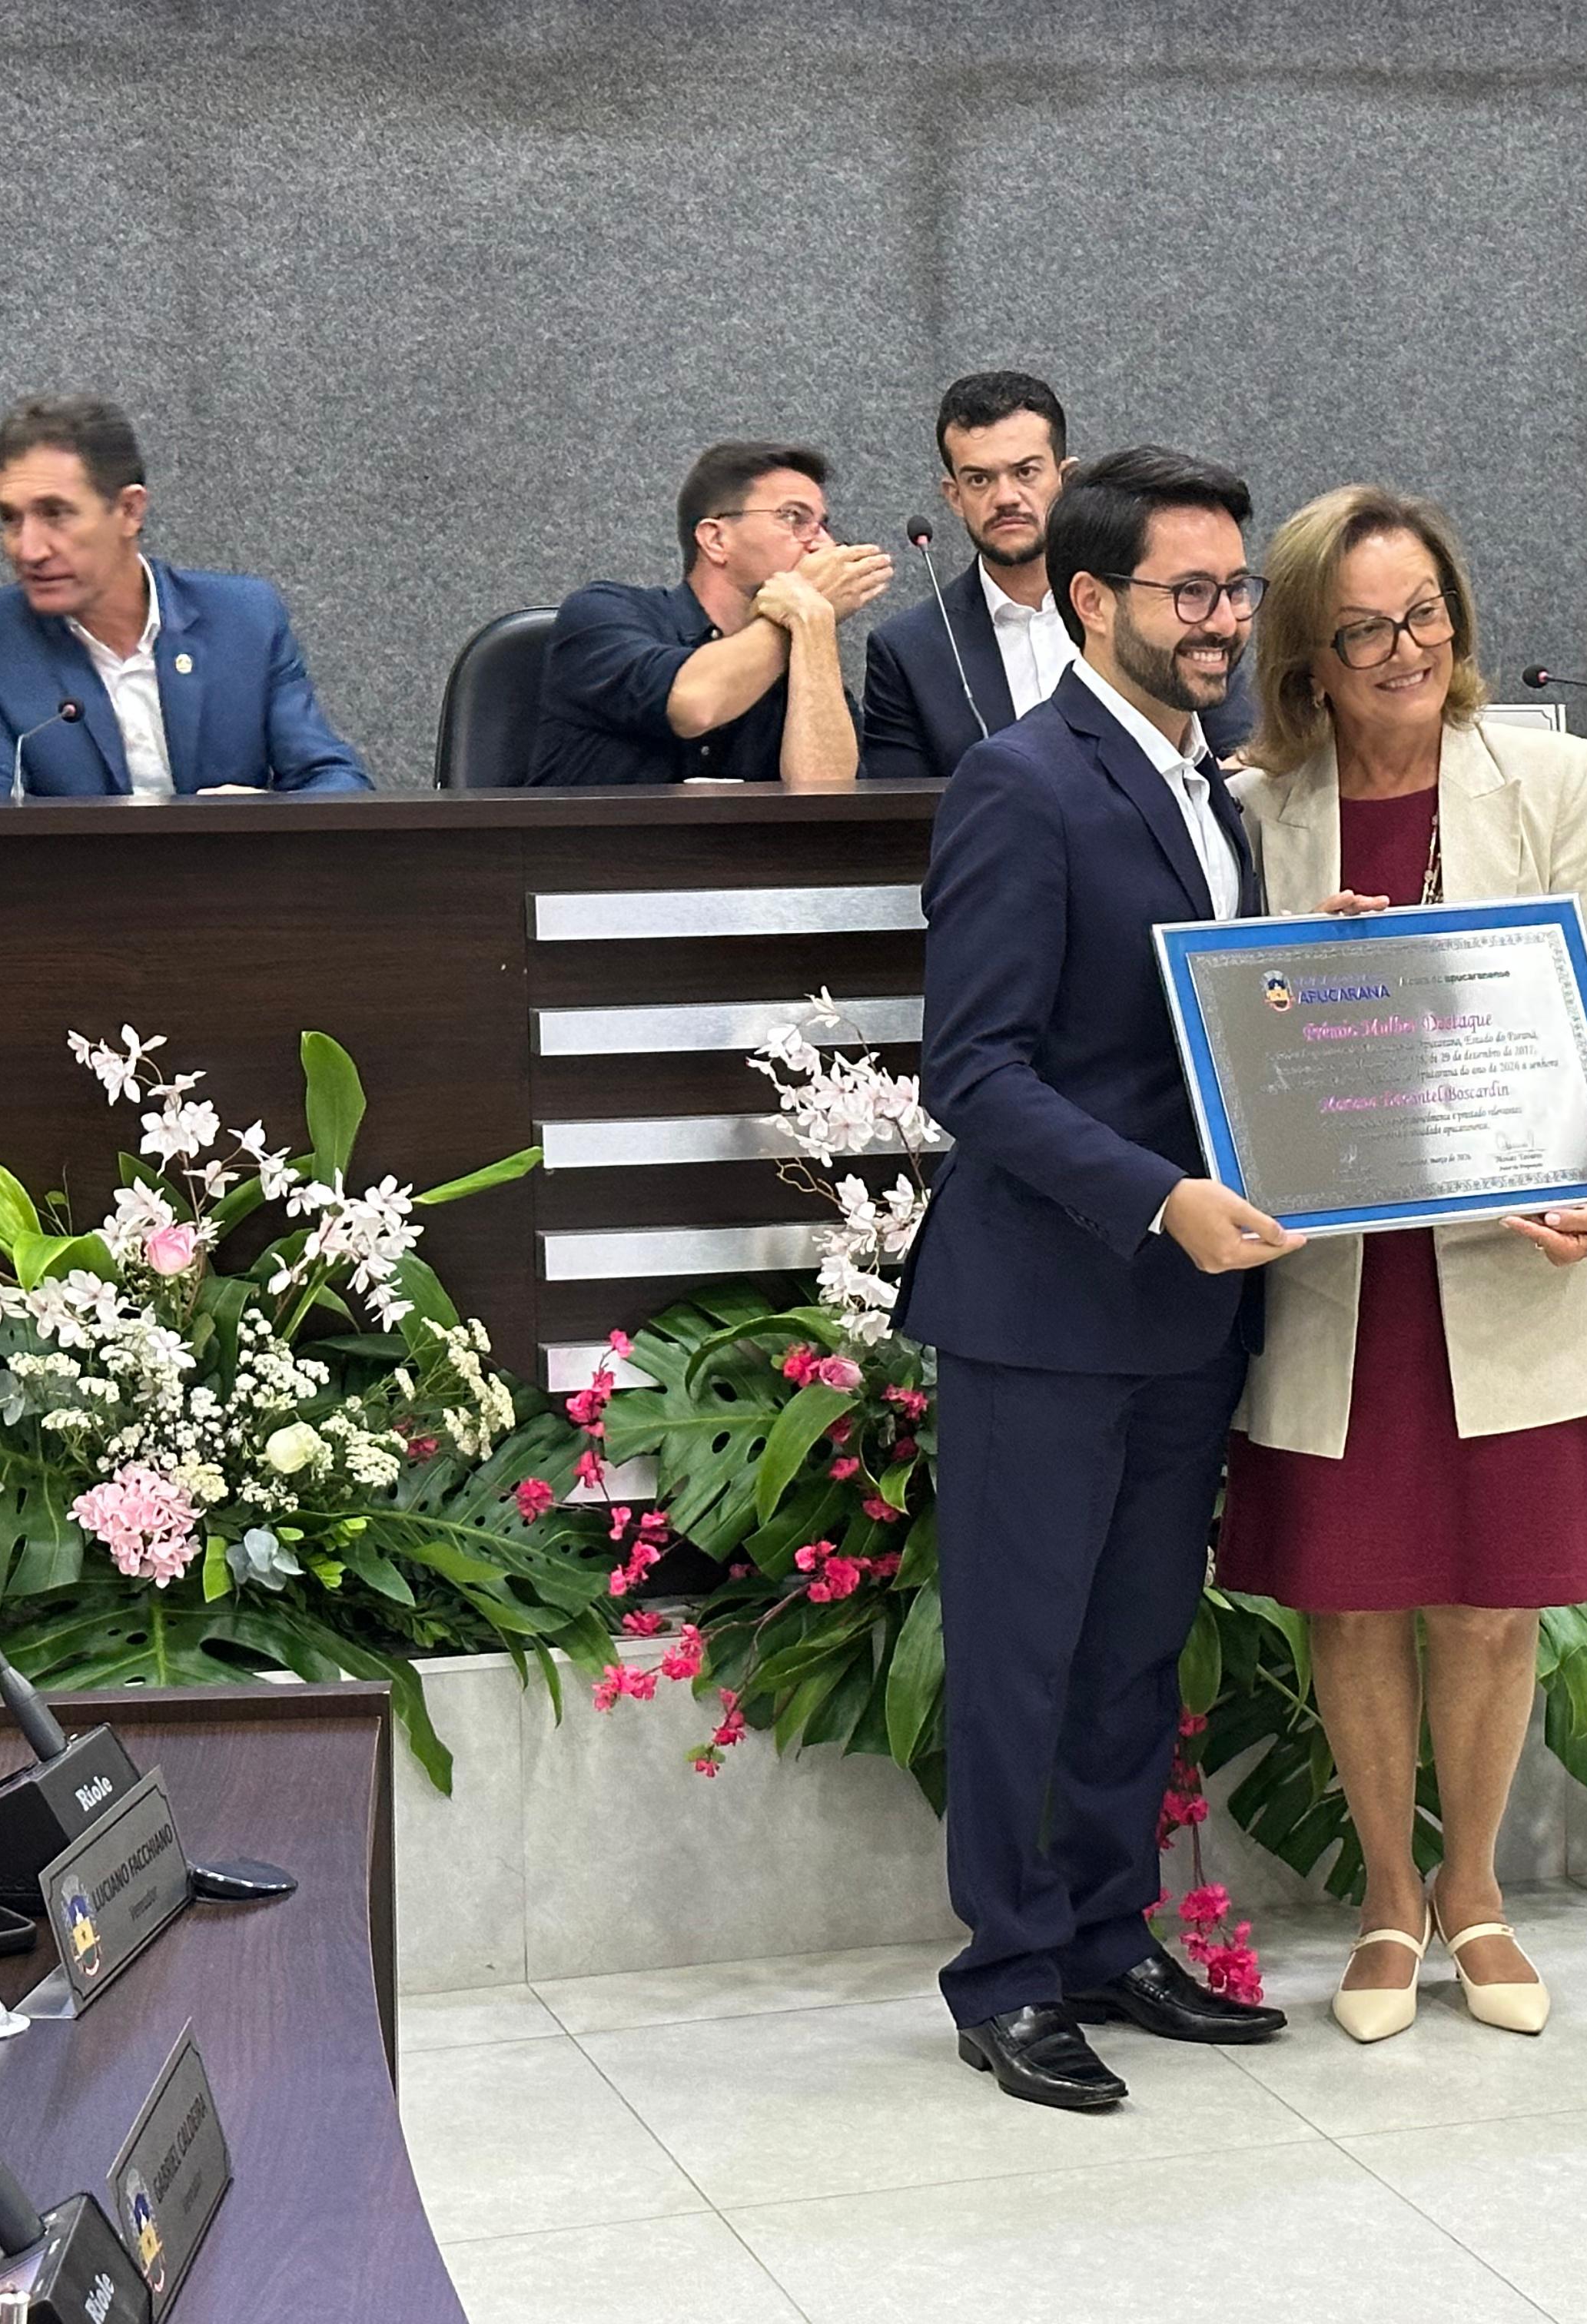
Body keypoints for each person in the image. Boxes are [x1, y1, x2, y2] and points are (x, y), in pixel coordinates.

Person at [1220, 486, 1587, 2044]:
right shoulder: (1254, 803)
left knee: (1490, 1604)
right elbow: (1215, 1039)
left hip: (1510, 1258)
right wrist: (1305, 990)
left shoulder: (1547, 775)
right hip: (1342, 1276)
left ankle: (1475, 1896)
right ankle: (1386, 1910)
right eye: (1363, 631)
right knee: (1353, 1600)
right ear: (1309, 655)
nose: (1404, 653)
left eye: (1424, 618)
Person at [895, 445, 1293, 2110]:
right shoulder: (1024, 780)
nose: (1221, 622)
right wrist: (1157, 1202)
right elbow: (972, 1072)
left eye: (1234, 588)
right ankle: (1003, 1974)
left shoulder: (1223, 788)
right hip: (1047, 1306)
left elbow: (1190, 1028)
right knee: (1022, 1652)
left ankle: (1108, 1936)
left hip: (1185, 1310)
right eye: (1187, 593)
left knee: (1135, 1646)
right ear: (1089, 601)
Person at [0, 397, 371, 798]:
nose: (29, 549)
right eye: (11, 519)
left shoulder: (244, 619)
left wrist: (257, 818)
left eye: (55, 514)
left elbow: (336, 781)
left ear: (129, 511)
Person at [862, 371, 1247, 779]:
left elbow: (1235, 756)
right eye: (979, 479)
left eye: (1025, 472)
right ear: (954, 496)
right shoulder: (909, 650)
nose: (1006, 497)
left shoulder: (1145, 604)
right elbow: (900, 821)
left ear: (1066, 479)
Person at [527, 441, 890, 785]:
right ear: (716, 540)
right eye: (793, 517)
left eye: (824, 525)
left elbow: (825, 805)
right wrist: (798, 611)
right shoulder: (601, 613)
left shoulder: (805, 659)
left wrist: (812, 627)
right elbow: (695, 705)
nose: (825, 544)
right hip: (594, 851)